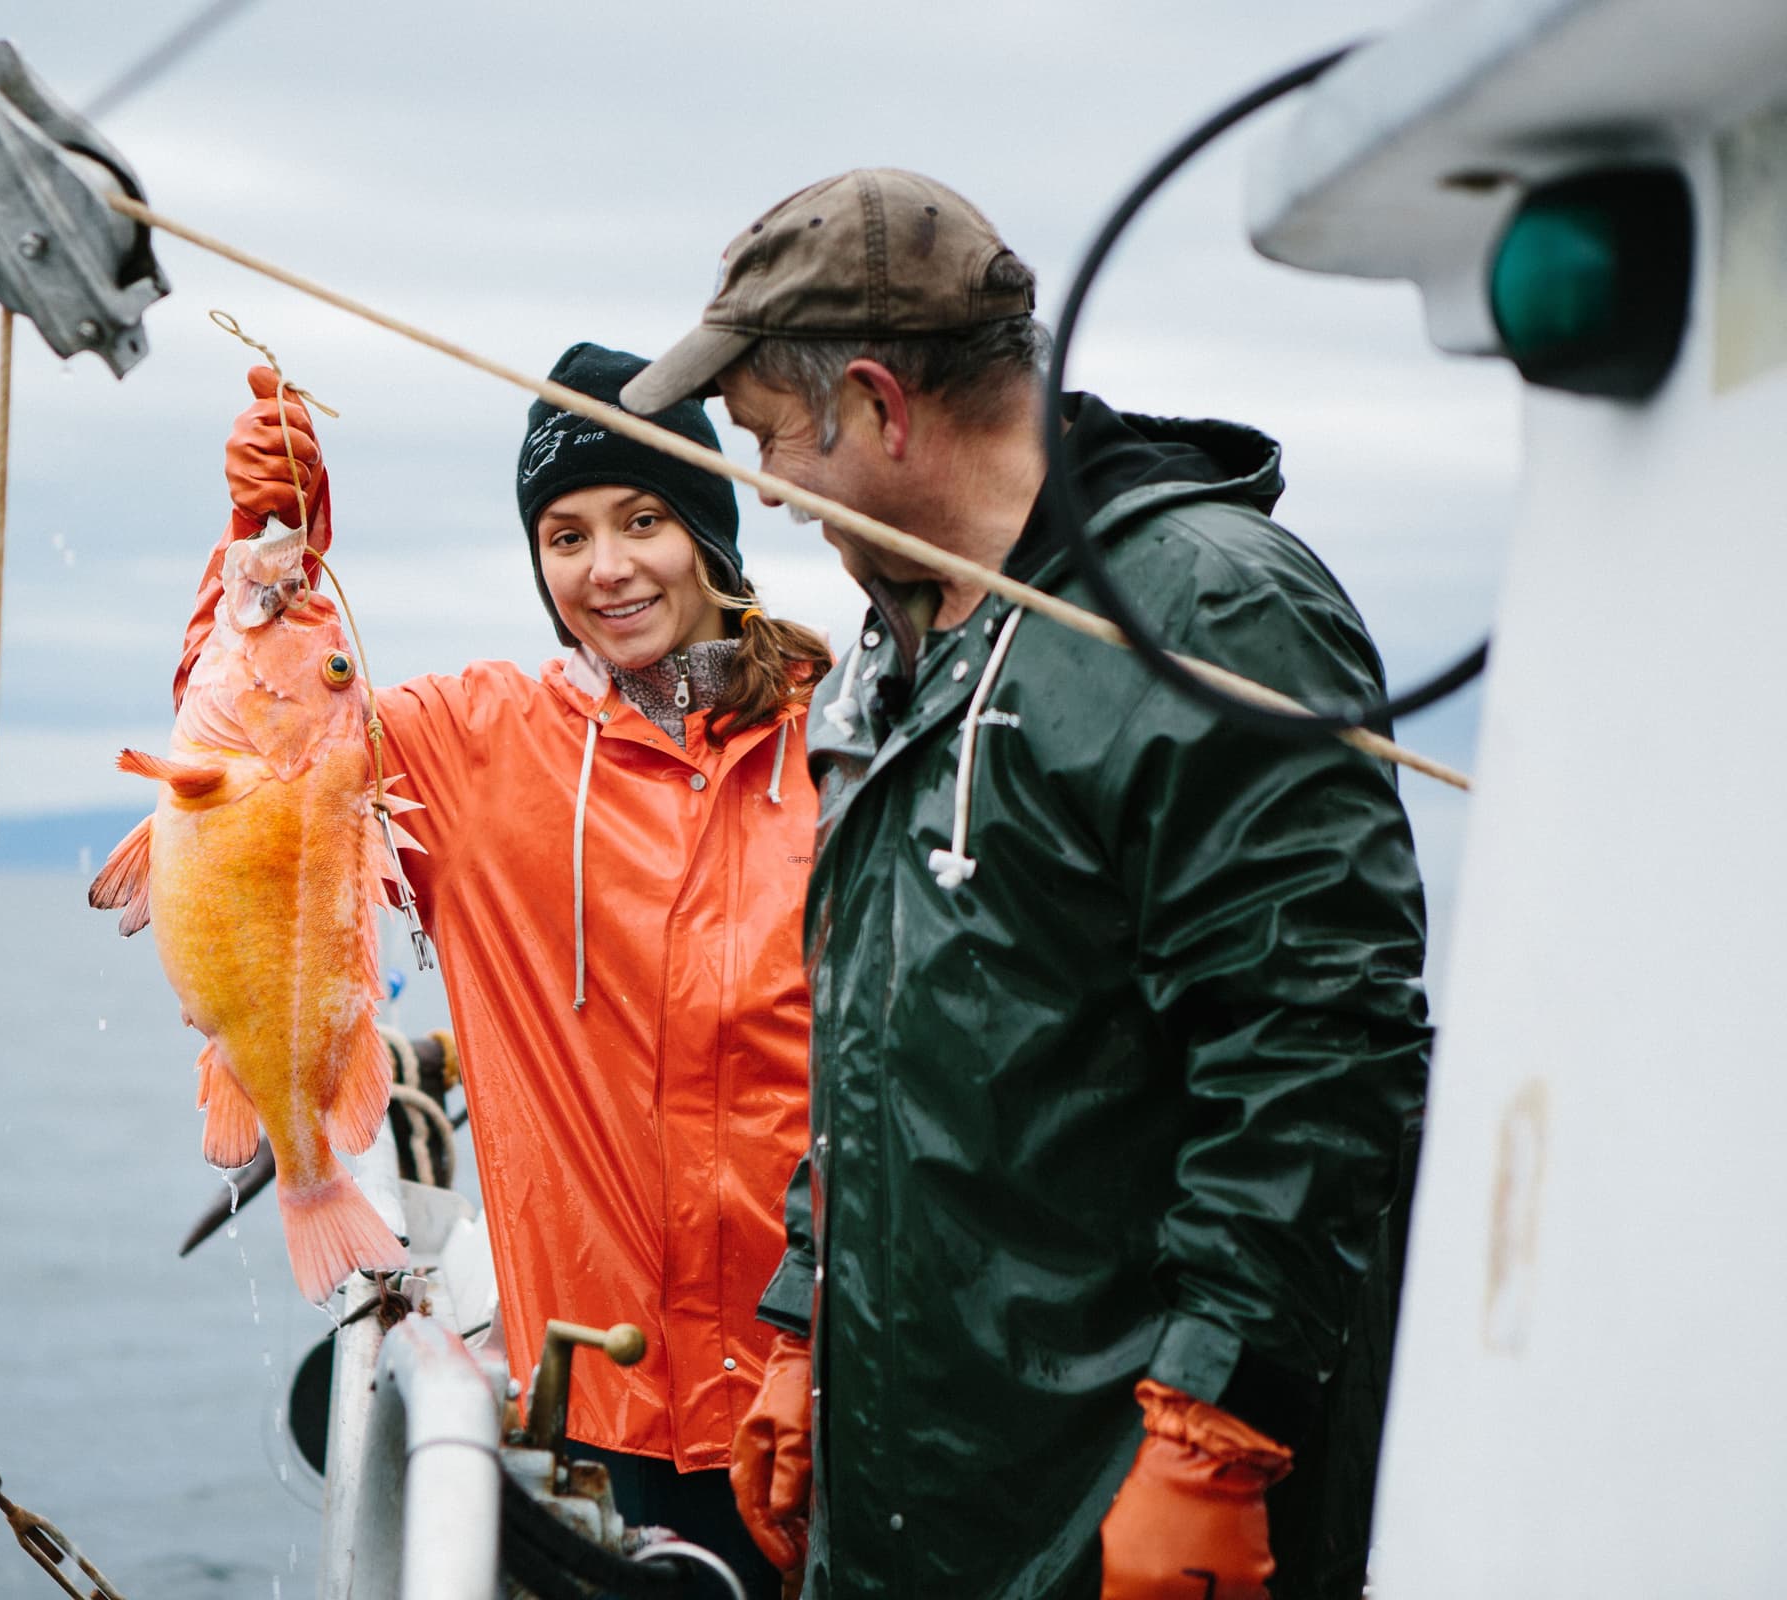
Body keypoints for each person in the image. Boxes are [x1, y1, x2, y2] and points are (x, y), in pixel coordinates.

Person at [619, 169, 1432, 1599]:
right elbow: (877, 1040)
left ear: (876, 404)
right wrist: (811, 1326)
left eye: (764, 440)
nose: (766, 490)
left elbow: (1317, 1050)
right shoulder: (894, 647)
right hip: (920, 1482)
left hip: (1115, 1489)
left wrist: (1217, 1427)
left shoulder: (1208, 610)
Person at [174, 342, 832, 1598]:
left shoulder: (845, 740)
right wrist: (265, 548)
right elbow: (244, 758)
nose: (608, 568)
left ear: (709, 526)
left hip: (828, 1389)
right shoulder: (470, 747)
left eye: (644, 519)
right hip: (599, 1410)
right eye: (566, 534)